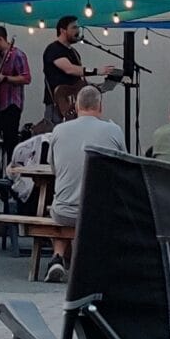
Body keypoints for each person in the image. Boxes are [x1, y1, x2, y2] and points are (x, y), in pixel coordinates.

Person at [43, 85, 126, 282]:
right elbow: (123, 168)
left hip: (65, 212)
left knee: (59, 205)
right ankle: (96, 262)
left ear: (76, 106)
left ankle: (57, 257)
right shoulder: (114, 130)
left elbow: (53, 169)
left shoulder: (59, 130)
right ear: (100, 107)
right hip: (100, 212)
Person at [0, 25, 30, 182]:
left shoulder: (18, 55)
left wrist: (6, 78)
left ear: (0, 39)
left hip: (11, 104)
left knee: (10, 142)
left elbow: (26, 78)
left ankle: (11, 179)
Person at [39, 16, 92, 121]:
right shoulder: (53, 49)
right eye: (74, 27)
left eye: (78, 27)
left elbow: (78, 80)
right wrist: (97, 71)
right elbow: (69, 69)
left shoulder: (74, 53)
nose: (77, 31)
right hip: (57, 105)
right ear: (62, 30)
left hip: (72, 106)